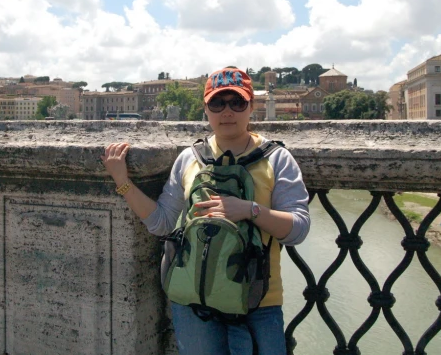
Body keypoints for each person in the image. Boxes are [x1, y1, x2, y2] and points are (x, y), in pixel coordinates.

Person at [102, 67, 310, 355]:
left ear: (251, 106)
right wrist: (122, 181)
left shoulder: (277, 159)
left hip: (258, 303)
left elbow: (298, 229)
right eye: (217, 103)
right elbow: (161, 222)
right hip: (193, 303)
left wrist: (249, 210)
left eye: (237, 102)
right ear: (206, 109)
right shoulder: (189, 158)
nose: (227, 111)